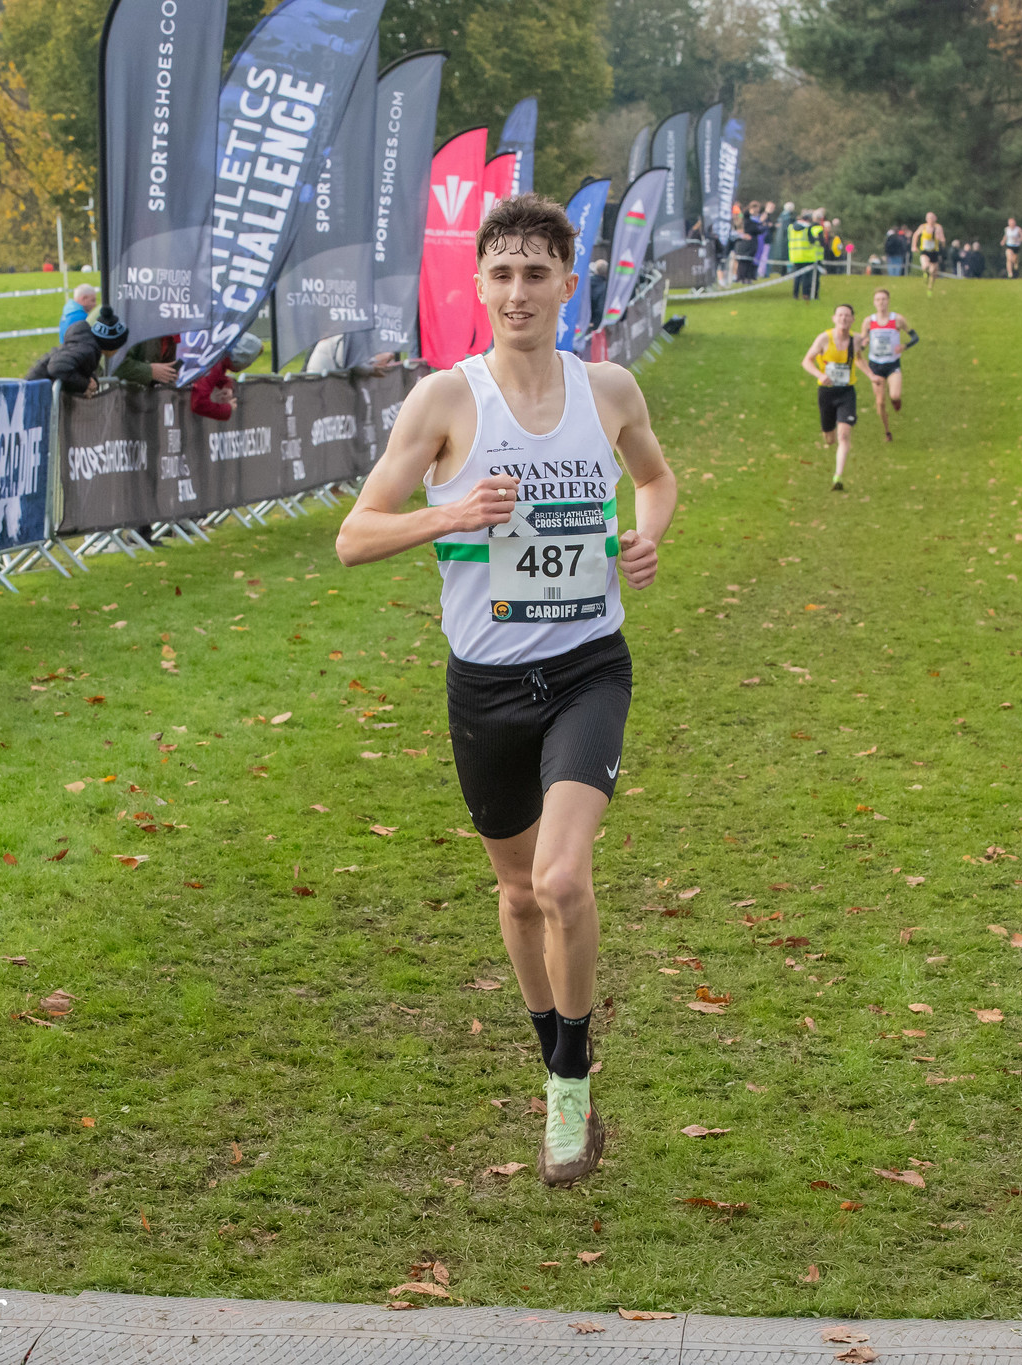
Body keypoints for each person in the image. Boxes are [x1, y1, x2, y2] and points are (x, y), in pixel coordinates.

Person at [334, 194, 676, 1189]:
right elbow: (355, 536)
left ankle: (567, 1090)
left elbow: (652, 481)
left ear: (569, 285)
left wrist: (648, 535)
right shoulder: (444, 403)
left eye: (537, 272)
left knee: (565, 880)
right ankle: (553, 1056)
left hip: (586, 669)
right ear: (477, 289)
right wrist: (450, 517)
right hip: (483, 682)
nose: (518, 290)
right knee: (519, 891)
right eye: (501, 274)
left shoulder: (606, 390)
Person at [800, 302, 860, 489]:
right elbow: (806, 361)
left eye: (847, 315)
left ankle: (838, 477)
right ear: (834, 318)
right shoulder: (824, 339)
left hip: (846, 392)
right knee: (830, 437)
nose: (843, 318)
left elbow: (860, 360)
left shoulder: (855, 340)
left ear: (852, 319)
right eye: (840, 315)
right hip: (826, 393)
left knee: (844, 435)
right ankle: (829, 437)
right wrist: (820, 374)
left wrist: (873, 376)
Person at [27, 304, 126, 396]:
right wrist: (85, 384)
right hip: (36, 392)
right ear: (111, 346)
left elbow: (77, 365)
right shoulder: (88, 349)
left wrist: (91, 379)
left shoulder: (86, 344)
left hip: (37, 386)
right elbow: (57, 367)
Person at [862, 286, 917, 442]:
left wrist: (904, 346)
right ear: (874, 302)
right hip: (875, 366)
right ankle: (887, 432)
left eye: (884, 299)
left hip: (892, 364)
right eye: (878, 299)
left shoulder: (897, 319)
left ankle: (896, 401)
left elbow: (915, 337)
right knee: (880, 402)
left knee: (894, 395)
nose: (881, 302)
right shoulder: (868, 321)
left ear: (888, 301)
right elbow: (862, 342)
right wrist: (863, 343)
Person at [189, 332, 264, 420]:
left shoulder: (217, 359)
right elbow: (198, 403)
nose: (248, 366)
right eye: (248, 362)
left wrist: (226, 384)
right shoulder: (212, 364)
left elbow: (215, 377)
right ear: (241, 357)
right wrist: (227, 408)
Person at [787, 210, 821, 300]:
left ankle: (795, 294)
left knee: (797, 276)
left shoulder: (791, 227)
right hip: (806, 256)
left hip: (795, 255)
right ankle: (805, 294)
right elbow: (811, 241)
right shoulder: (808, 228)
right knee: (806, 277)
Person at [913, 213, 946, 293]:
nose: (930, 220)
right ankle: (925, 273)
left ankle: (930, 287)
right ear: (926, 219)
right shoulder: (923, 227)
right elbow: (915, 235)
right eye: (929, 218)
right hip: (925, 250)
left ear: (935, 218)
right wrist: (914, 246)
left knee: (933, 271)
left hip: (934, 251)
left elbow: (942, 238)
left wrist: (942, 241)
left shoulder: (938, 227)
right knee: (925, 265)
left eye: (932, 218)